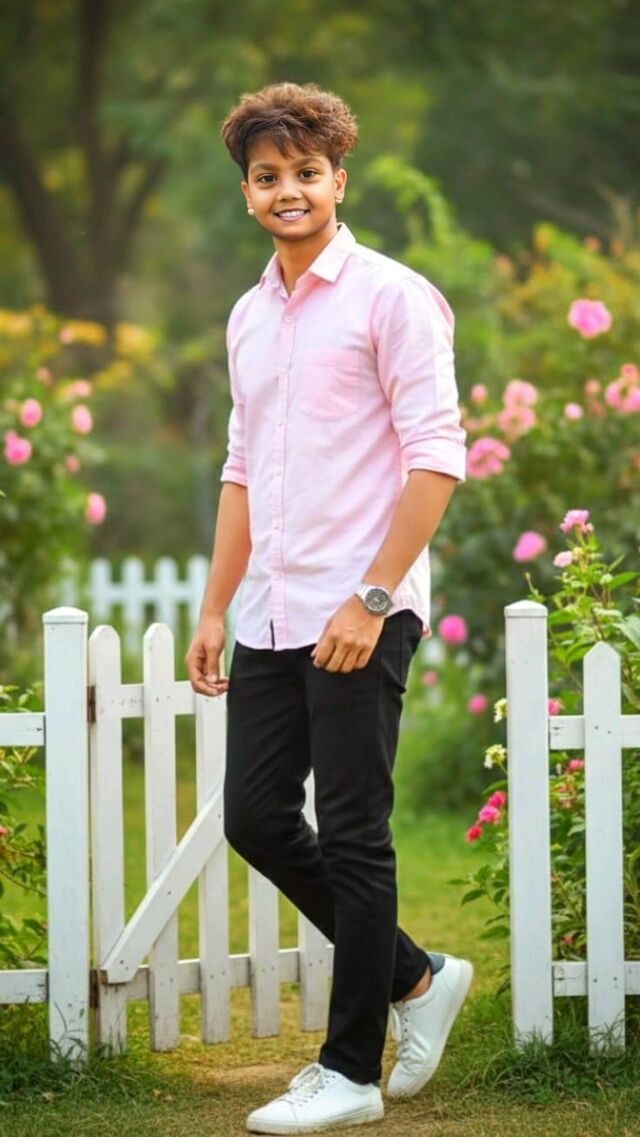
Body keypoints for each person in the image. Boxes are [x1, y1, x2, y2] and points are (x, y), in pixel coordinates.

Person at [185, 80, 472, 1135]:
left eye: (307, 171)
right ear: (247, 192)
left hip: (362, 607)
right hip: (270, 609)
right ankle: (414, 977)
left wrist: (372, 596)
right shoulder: (248, 316)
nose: (288, 190)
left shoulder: (395, 297)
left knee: (354, 831)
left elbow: (437, 457)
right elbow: (242, 469)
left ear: (339, 179)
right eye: (268, 176)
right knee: (256, 816)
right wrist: (214, 606)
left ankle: (349, 1072)